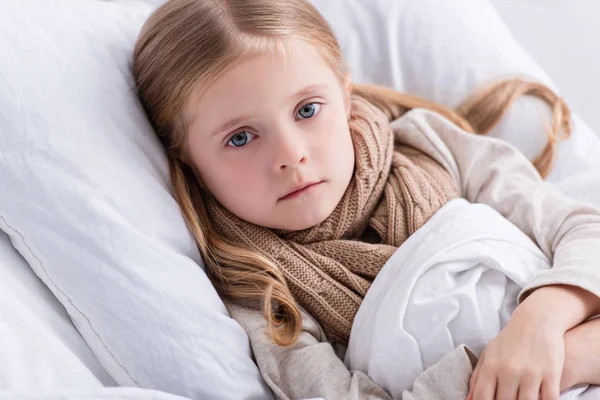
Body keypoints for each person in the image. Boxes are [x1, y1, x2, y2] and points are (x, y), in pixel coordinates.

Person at [132, 0, 600, 398]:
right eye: (240, 138)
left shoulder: (430, 146)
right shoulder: (262, 295)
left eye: (307, 110)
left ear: (346, 95)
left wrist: (542, 319)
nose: (291, 155)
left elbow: (582, 231)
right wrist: (562, 360)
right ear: (189, 160)